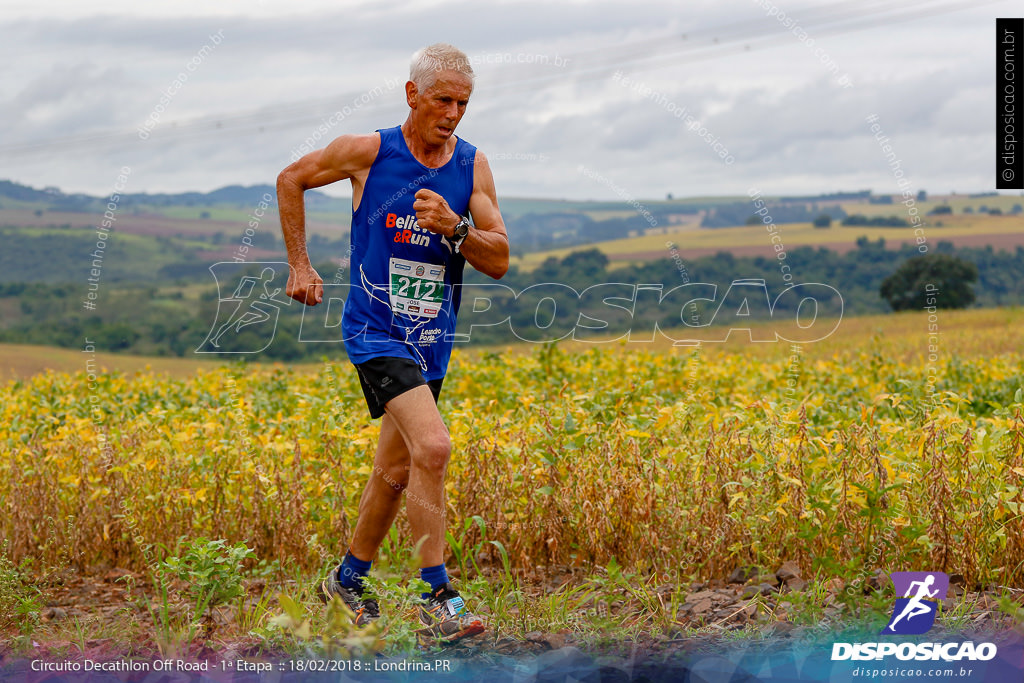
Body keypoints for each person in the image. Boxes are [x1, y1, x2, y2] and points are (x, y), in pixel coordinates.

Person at [276, 43, 509, 642]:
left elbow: (500, 258)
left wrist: (455, 228)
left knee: (397, 468)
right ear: (412, 94)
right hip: (375, 331)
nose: (454, 113)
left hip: (432, 339)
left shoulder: (472, 167)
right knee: (433, 447)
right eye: (442, 100)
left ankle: (347, 582)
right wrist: (300, 266)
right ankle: (436, 596)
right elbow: (291, 178)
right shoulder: (368, 153)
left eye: (463, 102)